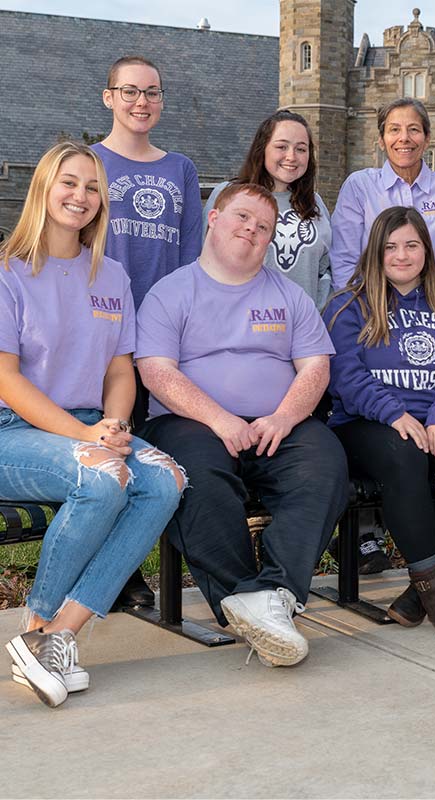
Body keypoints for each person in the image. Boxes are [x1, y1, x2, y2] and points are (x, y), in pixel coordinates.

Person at [0, 142, 185, 708]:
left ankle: (58, 637)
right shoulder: (8, 273)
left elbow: (120, 368)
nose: (80, 196)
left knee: (166, 480)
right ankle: (35, 630)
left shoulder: (112, 276)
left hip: (87, 425)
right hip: (13, 429)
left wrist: (113, 422)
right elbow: (6, 379)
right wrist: (87, 439)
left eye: (92, 187)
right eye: (69, 183)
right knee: (102, 477)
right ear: (43, 189)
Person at [135, 182, 349, 667]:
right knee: (198, 479)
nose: (252, 230)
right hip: (190, 423)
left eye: (264, 227)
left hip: (278, 421)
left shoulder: (289, 296)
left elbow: (315, 366)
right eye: (242, 218)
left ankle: (271, 595)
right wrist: (219, 418)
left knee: (324, 465)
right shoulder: (171, 292)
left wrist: (286, 415)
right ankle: (248, 599)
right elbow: (157, 371)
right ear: (214, 219)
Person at [324, 206, 435, 639]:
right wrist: (394, 413)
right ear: (376, 253)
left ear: (427, 251)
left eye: (412, 245)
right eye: (391, 246)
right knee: (405, 457)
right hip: (368, 422)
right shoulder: (348, 306)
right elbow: (345, 375)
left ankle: (422, 592)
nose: (401, 255)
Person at [93, 55, 203, 606]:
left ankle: (131, 563)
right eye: (130, 91)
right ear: (108, 96)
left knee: (147, 448)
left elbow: (189, 259)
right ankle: (113, 573)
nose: (142, 102)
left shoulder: (180, 168)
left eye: (152, 92)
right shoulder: (89, 162)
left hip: (159, 329)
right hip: (102, 327)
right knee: (104, 443)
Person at [330, 98, 435, 300]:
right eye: (394, 130)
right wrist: (357, 311)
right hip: (373, 307)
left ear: (427, 139)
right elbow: (344, 260)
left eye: (414, 129)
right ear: (381, 140)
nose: (404, 138)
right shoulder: (359, 186)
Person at [203, 110, 332, 310]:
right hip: (239, 323)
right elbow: (203, 260)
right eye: (281, 146)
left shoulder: (316, 204)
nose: (291, 156)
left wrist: (319, 318)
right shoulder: (228, 195)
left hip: (302, 327)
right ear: (262, 148)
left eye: (301, 149)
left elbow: (325, 271)